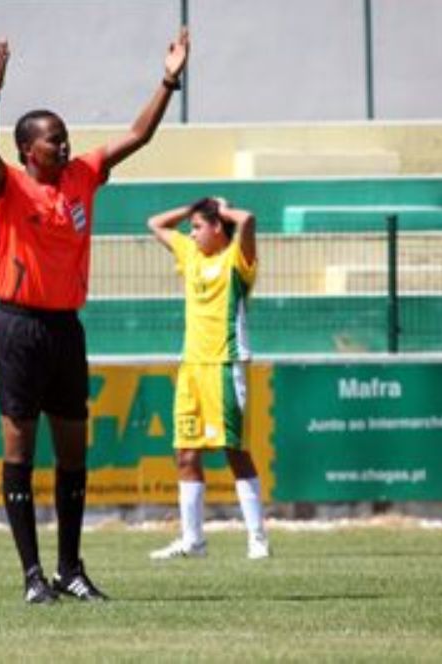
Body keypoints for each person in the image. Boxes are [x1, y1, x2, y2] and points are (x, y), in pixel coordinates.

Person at [0, 28, 190, 604]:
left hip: (65, 328)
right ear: (28, 150)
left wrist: (169, 78)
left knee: (74, 451)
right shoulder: (11, 187)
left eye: (66, 139)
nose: (65, 147)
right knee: (19, 450)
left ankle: (70, 570)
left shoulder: (82, 177)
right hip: (16, 328)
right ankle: (31, 577)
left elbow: (138, 136)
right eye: (53, 141)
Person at [145, 196, 271, 562]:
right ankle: (193, 541)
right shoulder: (190, 254)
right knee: (186, 453)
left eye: (198, 226)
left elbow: (247, 218)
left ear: (217, 228)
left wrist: (221, 208)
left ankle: (257, 538)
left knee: (235, 451)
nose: (191, 232)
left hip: (225, 366)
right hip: (191, 368)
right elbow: (155, 223)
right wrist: (190, 209)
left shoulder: (236, 260)